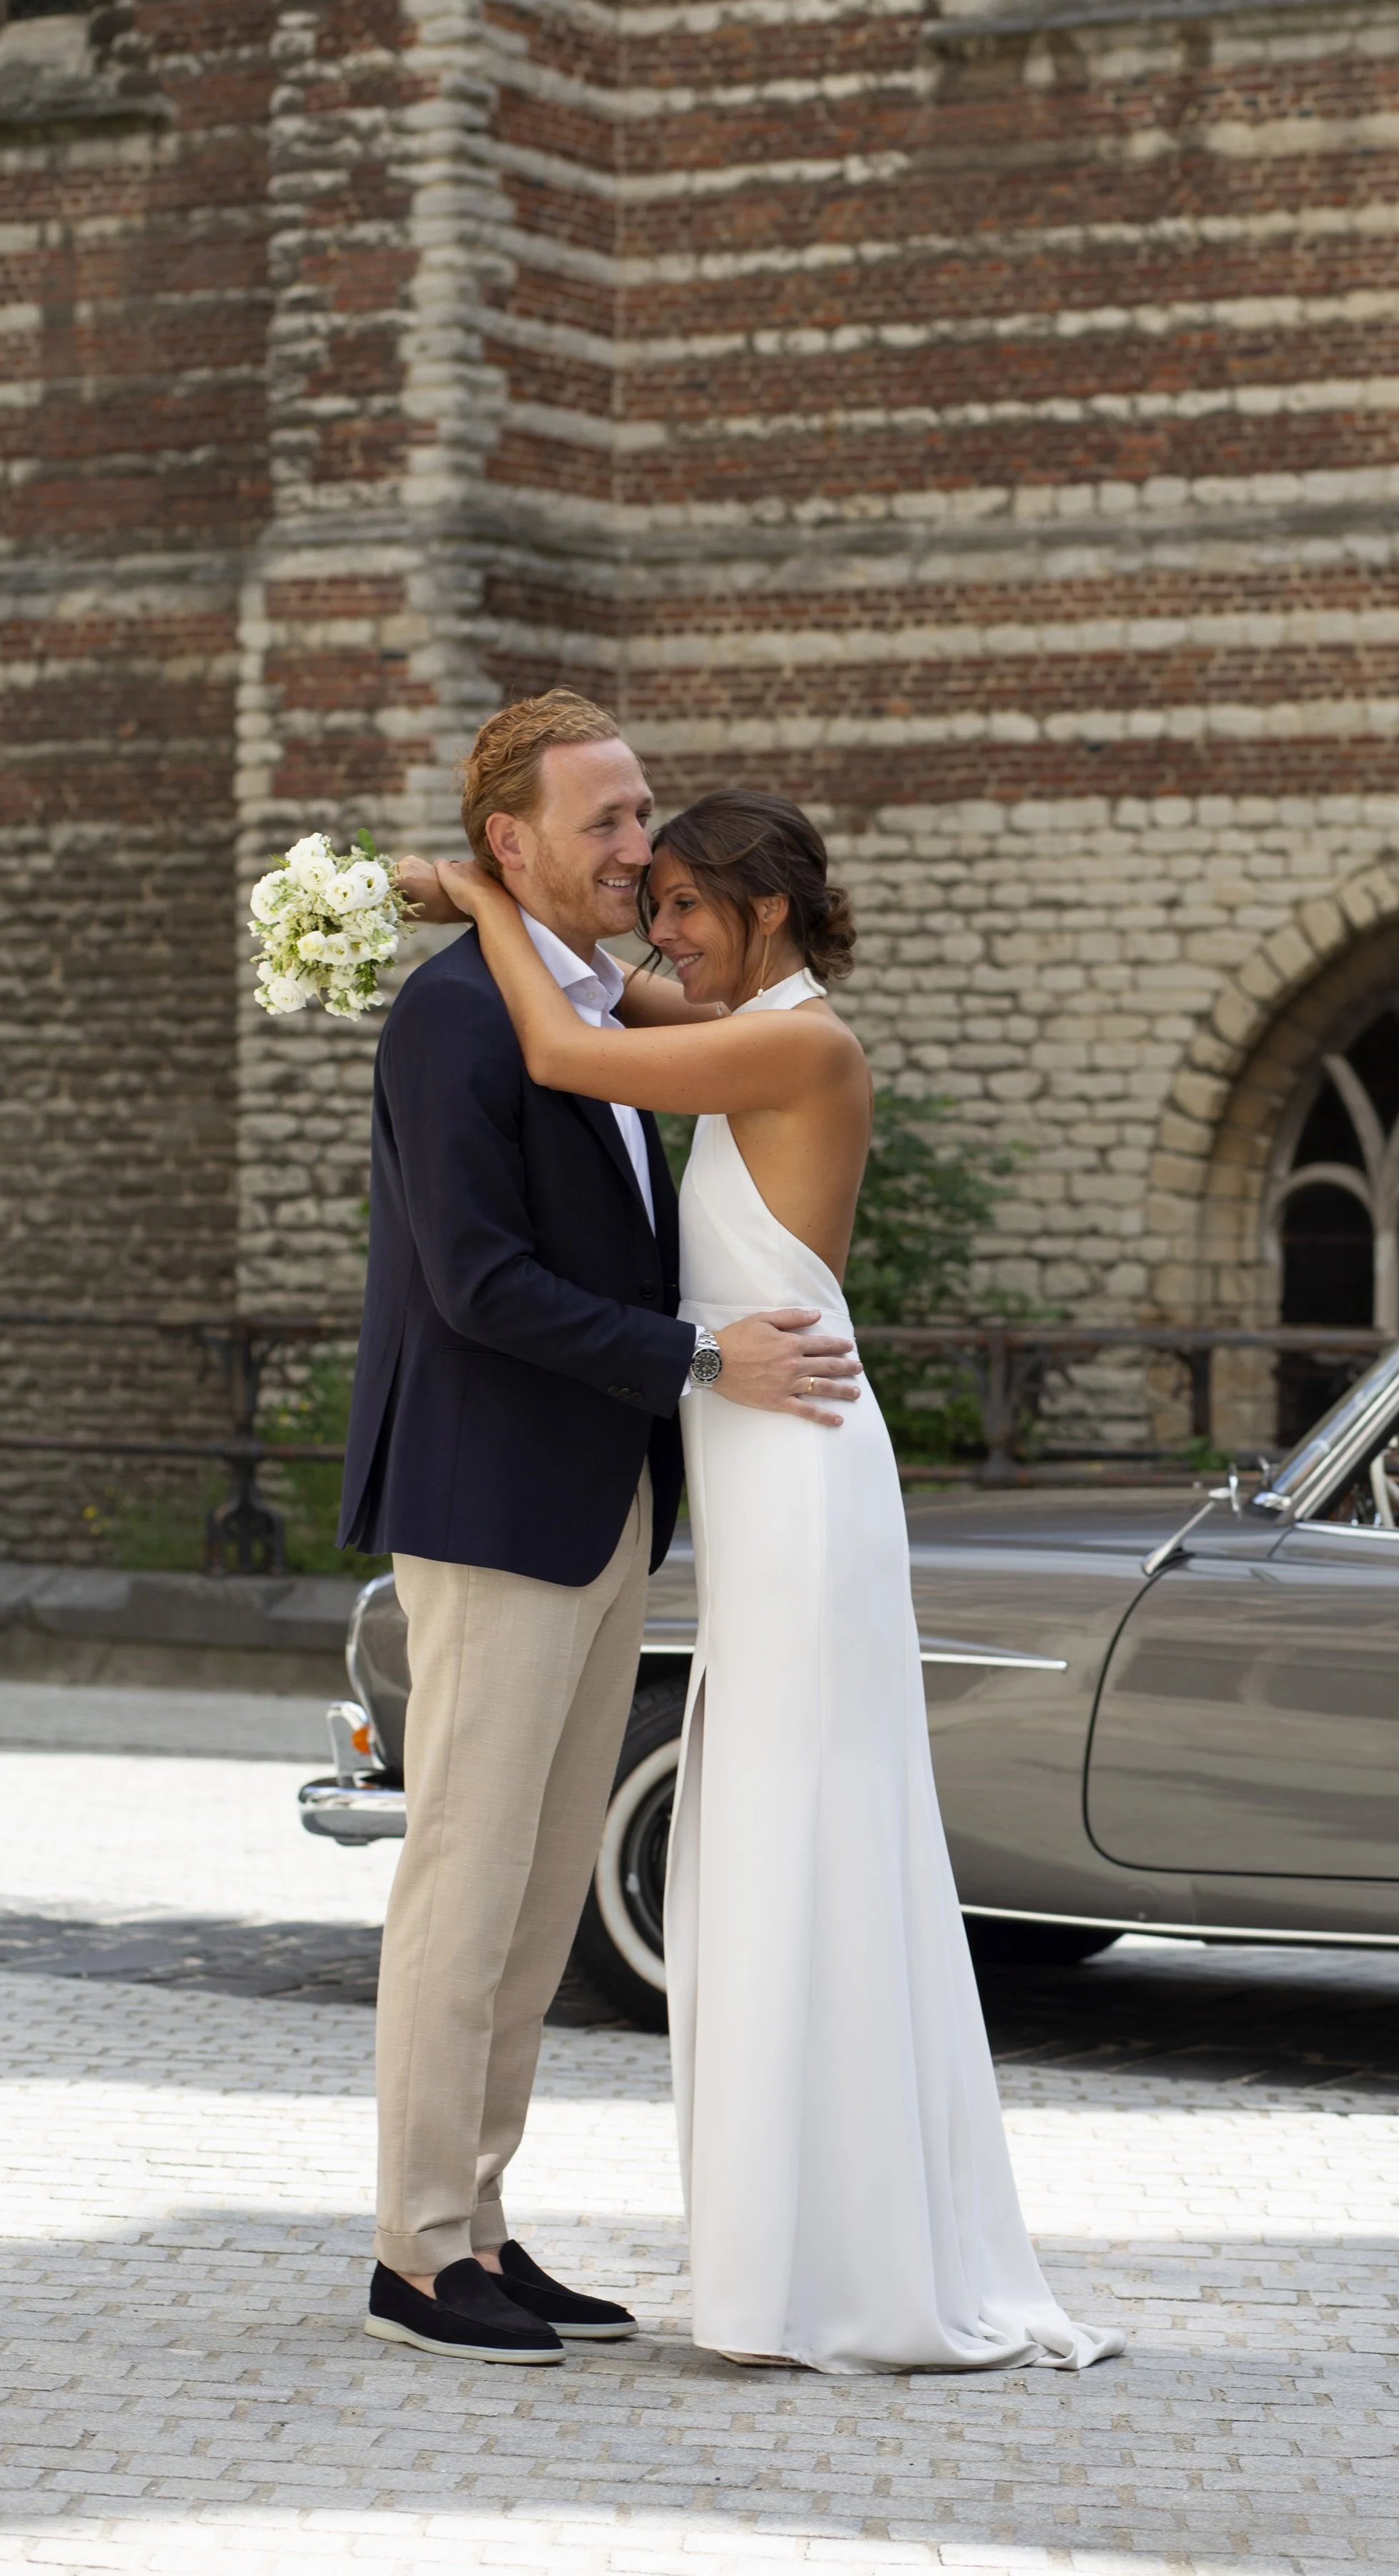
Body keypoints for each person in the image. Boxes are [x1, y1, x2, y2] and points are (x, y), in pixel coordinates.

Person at [435, 789, 1123, 2375]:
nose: (659, 931)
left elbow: (564, 1044)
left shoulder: (801, 1045)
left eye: (683, 902)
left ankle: (830, 2269)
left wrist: (485, 904)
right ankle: (798, 2251)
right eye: (651, 898)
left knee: (797, 1834)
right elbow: (599, 992)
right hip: (757, 1473)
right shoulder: (751, 1016)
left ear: (762, 905)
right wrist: (500, 912)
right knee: (769, 1835)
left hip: (799, 1481)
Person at [341, 693, 861, 2367]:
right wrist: (699, 1360)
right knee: (462, 1885)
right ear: (514, 845)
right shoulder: (454, 1022)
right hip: (496, 1500)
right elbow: (478, 1284)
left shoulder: (573, 1001)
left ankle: (481, 2221)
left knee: (539, 1893)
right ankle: (417, 2255)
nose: (642, 852)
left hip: (602, 1501)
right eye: (610, 824)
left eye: (645, 819)